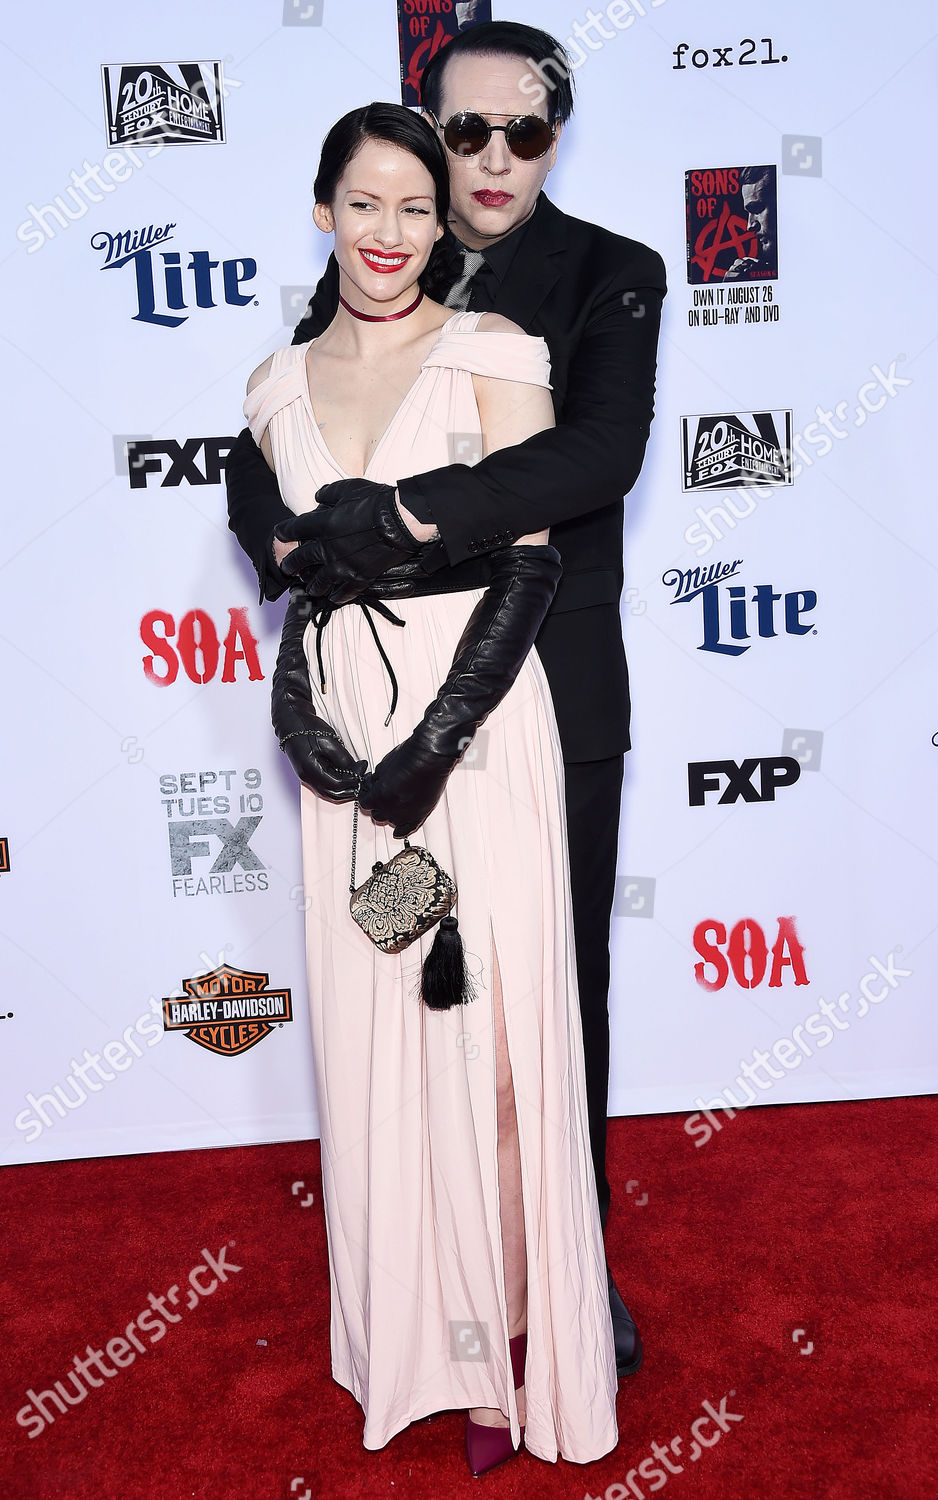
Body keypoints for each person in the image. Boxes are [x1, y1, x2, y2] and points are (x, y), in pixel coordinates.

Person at [227, 20, 667, 1376]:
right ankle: (433, 1273)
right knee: (407, 971)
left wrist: (404, 514)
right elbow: (272, 438)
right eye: (465, 130)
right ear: (428, 132)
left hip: (546, 692)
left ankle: (565, 1271)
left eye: (522, 132)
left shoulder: (610, 273)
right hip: (379, 705)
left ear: (555, 139)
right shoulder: (380, 257)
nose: (491, 157)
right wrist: (288, 542)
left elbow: (595, 456)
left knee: (550, 993)